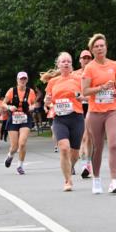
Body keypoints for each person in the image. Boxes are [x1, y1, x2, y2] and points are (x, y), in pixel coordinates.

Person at [81, 33, 116, 194]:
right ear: (92, 50)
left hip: (112, 110)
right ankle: (97, 179)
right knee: (98, 147)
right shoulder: (89, 68)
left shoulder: (114, 65)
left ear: (106, 47)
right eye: (96, 46)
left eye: (102, 45)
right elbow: (84, 91)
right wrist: (101, 88)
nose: (99, 48)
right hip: (95, 112)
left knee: (113, 144)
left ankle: (114, 181)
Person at [45, 52, 86, 191]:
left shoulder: (78, 78)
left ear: (71, 64)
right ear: (58, 64)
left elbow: (87, 96)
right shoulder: (52, 82)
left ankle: (71, 166)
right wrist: (47, 101)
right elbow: (47, 99)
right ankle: (68, 181)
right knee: (63, 148)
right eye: (63, 61)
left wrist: (83, 98)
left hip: (76, 117)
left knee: (75, 153)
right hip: (60, 119)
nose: (66, 63)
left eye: (68, 61)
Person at [4, 72, 36, 175]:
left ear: (27, 80)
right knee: (14, 147)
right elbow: (3, 103)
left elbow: (34, 103)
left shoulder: (30, 91)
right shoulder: (11, 91)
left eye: (24, 79)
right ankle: (10, 156)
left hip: (25, 118)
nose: (22, 81)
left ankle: (20, 166)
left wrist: (32, 107)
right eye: (21, 79)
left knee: (22, 143)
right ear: (17, 80)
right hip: (14, 119)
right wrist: (9, 107)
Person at [74, 49, 94, 177]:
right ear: (80, 60)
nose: (86, 60)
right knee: (78, 139)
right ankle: (73, 163)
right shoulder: (74, 74)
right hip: (76, 108)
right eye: (84, 58)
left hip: (91, 107)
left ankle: (87, 165)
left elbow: (97, 92)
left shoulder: (95, 73)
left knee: (87, 137)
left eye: (88, 58)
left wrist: (85, 98)